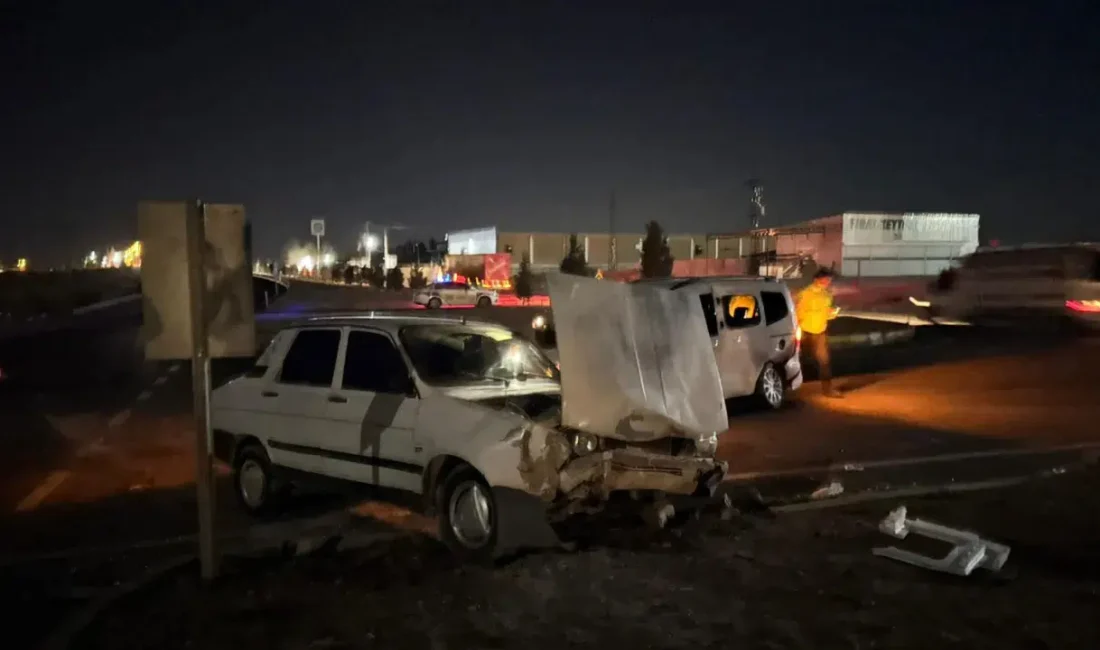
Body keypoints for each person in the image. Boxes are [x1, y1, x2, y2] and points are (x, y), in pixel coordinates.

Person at [796, 269, 842, 397]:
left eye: (829, 280)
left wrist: (832, 313)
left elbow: (826, 313)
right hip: (805, 331)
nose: (828, 282)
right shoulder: (805, 294)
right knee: (795, 359)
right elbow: (798, 312)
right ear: (817, 280)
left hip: (820, 331)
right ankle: (788, 389)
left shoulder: (827, 295)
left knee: (824, 360)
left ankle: (827, 390)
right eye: (826, 280)